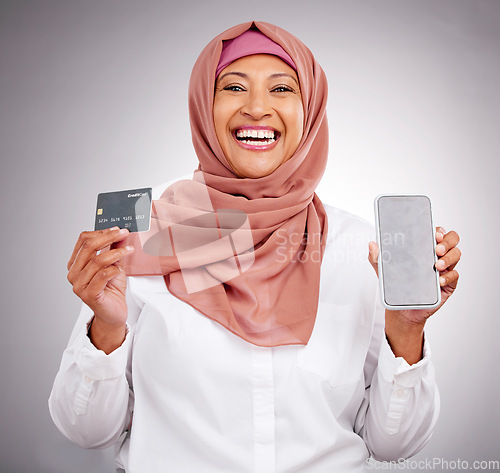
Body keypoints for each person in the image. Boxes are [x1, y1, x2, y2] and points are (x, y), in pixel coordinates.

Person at [49, 21, 461, 473]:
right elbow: (86, 432)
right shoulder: (145, 241)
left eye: (282, 88)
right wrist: (105, 330)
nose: (258, 108)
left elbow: (393, 445)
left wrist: (406, 329)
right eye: (233, 86)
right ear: (204, 108)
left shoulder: (359, 252)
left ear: (311, 110)